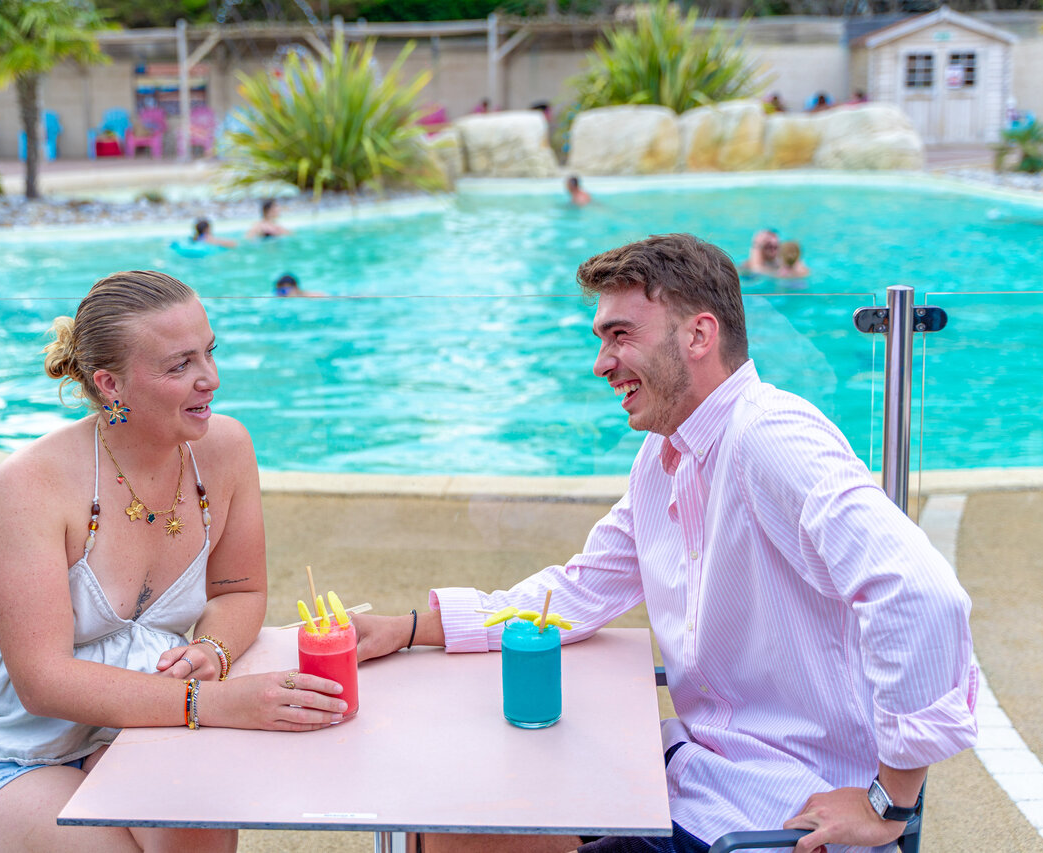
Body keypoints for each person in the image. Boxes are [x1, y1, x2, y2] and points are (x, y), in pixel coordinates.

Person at [353, 233, 978, 853]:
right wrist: (410, 628)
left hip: (778, 808)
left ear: (699, 336)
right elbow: (579, 590)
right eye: (602, 338)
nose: (601, 362)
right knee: (446, 822)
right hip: (696, 773)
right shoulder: (665, 456)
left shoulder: (772, 437)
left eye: (620, 335)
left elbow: (921, 593)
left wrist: (889, 800)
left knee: (463, 827)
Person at [0, 270, 346, 853]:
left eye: (210, 353)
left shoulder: (226, 449)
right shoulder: (32, 484)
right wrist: (213, 703)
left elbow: (238, 591)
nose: (210, 380)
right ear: (110, 384)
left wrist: (211, 651)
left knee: (201, 823)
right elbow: (42, 682)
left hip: (127, 721)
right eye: (179, 366)